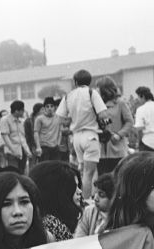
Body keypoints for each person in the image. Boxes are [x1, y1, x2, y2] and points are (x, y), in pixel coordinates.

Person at [56, 69, 108, 200]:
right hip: (90, 135)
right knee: (89, 172)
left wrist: (73, 120)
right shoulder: (92, 93)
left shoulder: (68, 96)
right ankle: (86, 201)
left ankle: (88, 197)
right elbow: (103, 115)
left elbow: (60, 118)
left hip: (76, 137)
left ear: (75, 82)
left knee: (85, 170)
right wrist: (103, 124)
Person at [29, 161, 83, 241]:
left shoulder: (56, 221)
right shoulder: (52, 226)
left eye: (78, 186)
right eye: (74, 187)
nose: (79, 191)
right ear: (58, 191)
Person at [96, 76, 134, 174]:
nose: (95, 90)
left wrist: (119, 135)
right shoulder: (96, 105)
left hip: (117, 149)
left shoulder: (120, 103)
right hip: (100, 151)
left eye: (98, 87)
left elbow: (129, 122)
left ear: (105, 90)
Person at [74, 173, 113, 237]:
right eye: (95, 193)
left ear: (113, 197)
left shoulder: (120, 217)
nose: (95, 198)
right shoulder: (88, 212)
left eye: (101, 195)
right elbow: (79, 240)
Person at [0, 100, 32, 173]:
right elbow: (5, 137)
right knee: (13, 172)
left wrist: (27, 151)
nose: (23, 112)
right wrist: (13, 151)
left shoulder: (21, 121)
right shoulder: (5, 120)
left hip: (22, 150)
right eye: (22, 110)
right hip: (11, 152)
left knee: (22, 172)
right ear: (17, 111)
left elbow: (22, 138)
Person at [34, 97, 61, 162]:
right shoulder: (39, 119)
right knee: (44, 168)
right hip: (44, 147)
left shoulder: (58, 117)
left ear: (54, 107)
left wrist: (58, 144)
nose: (49, 108)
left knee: (55, 168)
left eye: (52, 106)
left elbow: (60, 132)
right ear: (44, 108)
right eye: (47, 106)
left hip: (55, 147)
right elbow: (36, 132)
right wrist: (38, 147)